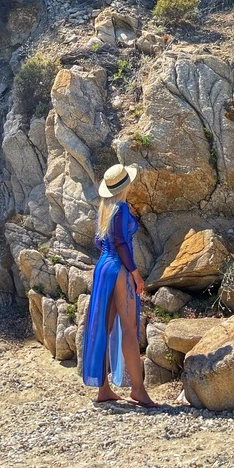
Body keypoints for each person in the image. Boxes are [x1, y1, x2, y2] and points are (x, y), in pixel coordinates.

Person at [82, 163, 157, 407]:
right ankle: (138, 390)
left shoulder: (104, 208)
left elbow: (99, 241)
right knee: (129, 328)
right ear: (125, 186)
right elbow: (122, 243)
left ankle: (103, 389)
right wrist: (136, 274)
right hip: (119, 269)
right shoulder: (121, 208)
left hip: (103, 267)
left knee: (103, 328)